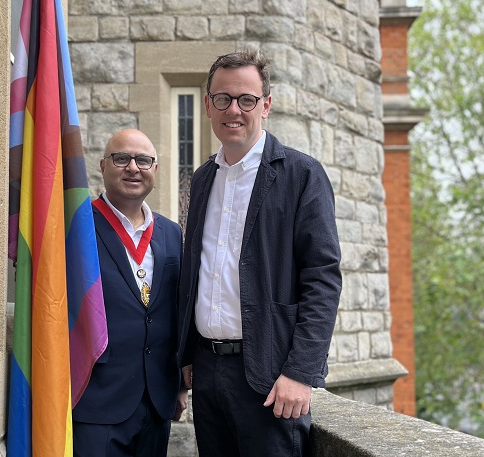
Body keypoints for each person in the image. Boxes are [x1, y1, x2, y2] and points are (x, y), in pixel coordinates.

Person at [178, 49, 342, 456]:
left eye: (246, 100)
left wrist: (300, 372)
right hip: (208, 373)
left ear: (265, 105)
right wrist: (186, 353)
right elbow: (196, 269)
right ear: (208, 104)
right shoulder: (202, 180)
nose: (234, 110)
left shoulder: (302, 175)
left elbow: (322, 278)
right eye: (223, 99)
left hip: (271, 376)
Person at [73, 129, 188, 457]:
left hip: (156, 402)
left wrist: (179, 384)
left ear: (155, 168)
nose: (133, 168)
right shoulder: (76, 226)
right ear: (102, 165)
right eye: (121, 158)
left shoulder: (170, 233)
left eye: (143, 160)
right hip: (96, 400)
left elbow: (175, 311)